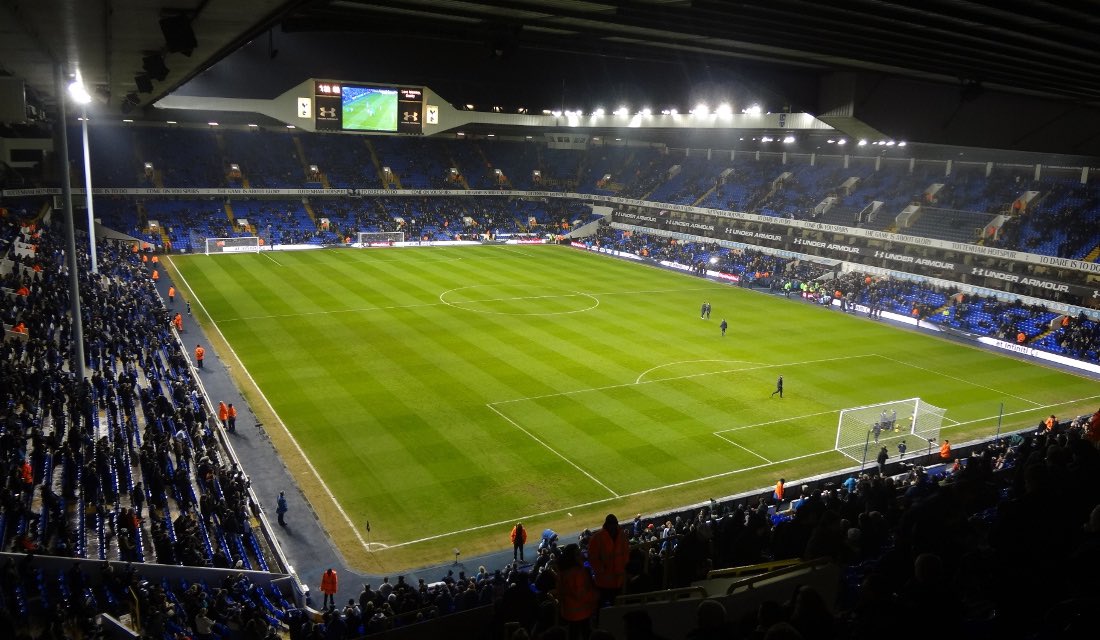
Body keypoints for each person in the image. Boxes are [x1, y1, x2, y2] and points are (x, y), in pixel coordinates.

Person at [556, 543, 598, 640]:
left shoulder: (563, 572)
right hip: (581, 612)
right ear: (572, 557)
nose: (582, 555)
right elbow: (581, 595)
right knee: (586, 633)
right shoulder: (576, 574)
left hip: (569, 612)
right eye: (578, 554)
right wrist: (596, 595)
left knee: (573, 633)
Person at [587, 513, 630, 606]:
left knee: (617, 604)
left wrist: (623, 567)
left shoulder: (622, 535)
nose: (614, 527)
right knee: (601, 605)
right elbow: (592, 558)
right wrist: (601, 569)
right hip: (603, 581)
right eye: (612, 524)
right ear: (607, 524)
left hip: (618, 580)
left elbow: (626, 553)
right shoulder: (597, 537)